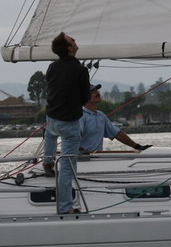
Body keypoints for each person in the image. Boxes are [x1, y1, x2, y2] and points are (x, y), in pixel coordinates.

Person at [43, 32, 90, 214]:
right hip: (69, 122)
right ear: (70, 48)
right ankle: (65, 207)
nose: (75, 41)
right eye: (72, 40)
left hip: (52, 118)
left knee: (50, 134)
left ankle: (48, 161)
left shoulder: (52, 67)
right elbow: (85, 98)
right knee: (67, 168)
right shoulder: (80, 70)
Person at [79, 84, 152, 153]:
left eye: (96, 90)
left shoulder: (101, 116)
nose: (97, 93)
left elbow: (118, 134)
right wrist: (79, 150)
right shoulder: (80, 115)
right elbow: (75, 136)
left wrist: (137, 147)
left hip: (96, 158)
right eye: (93, 92)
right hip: (82, 159)